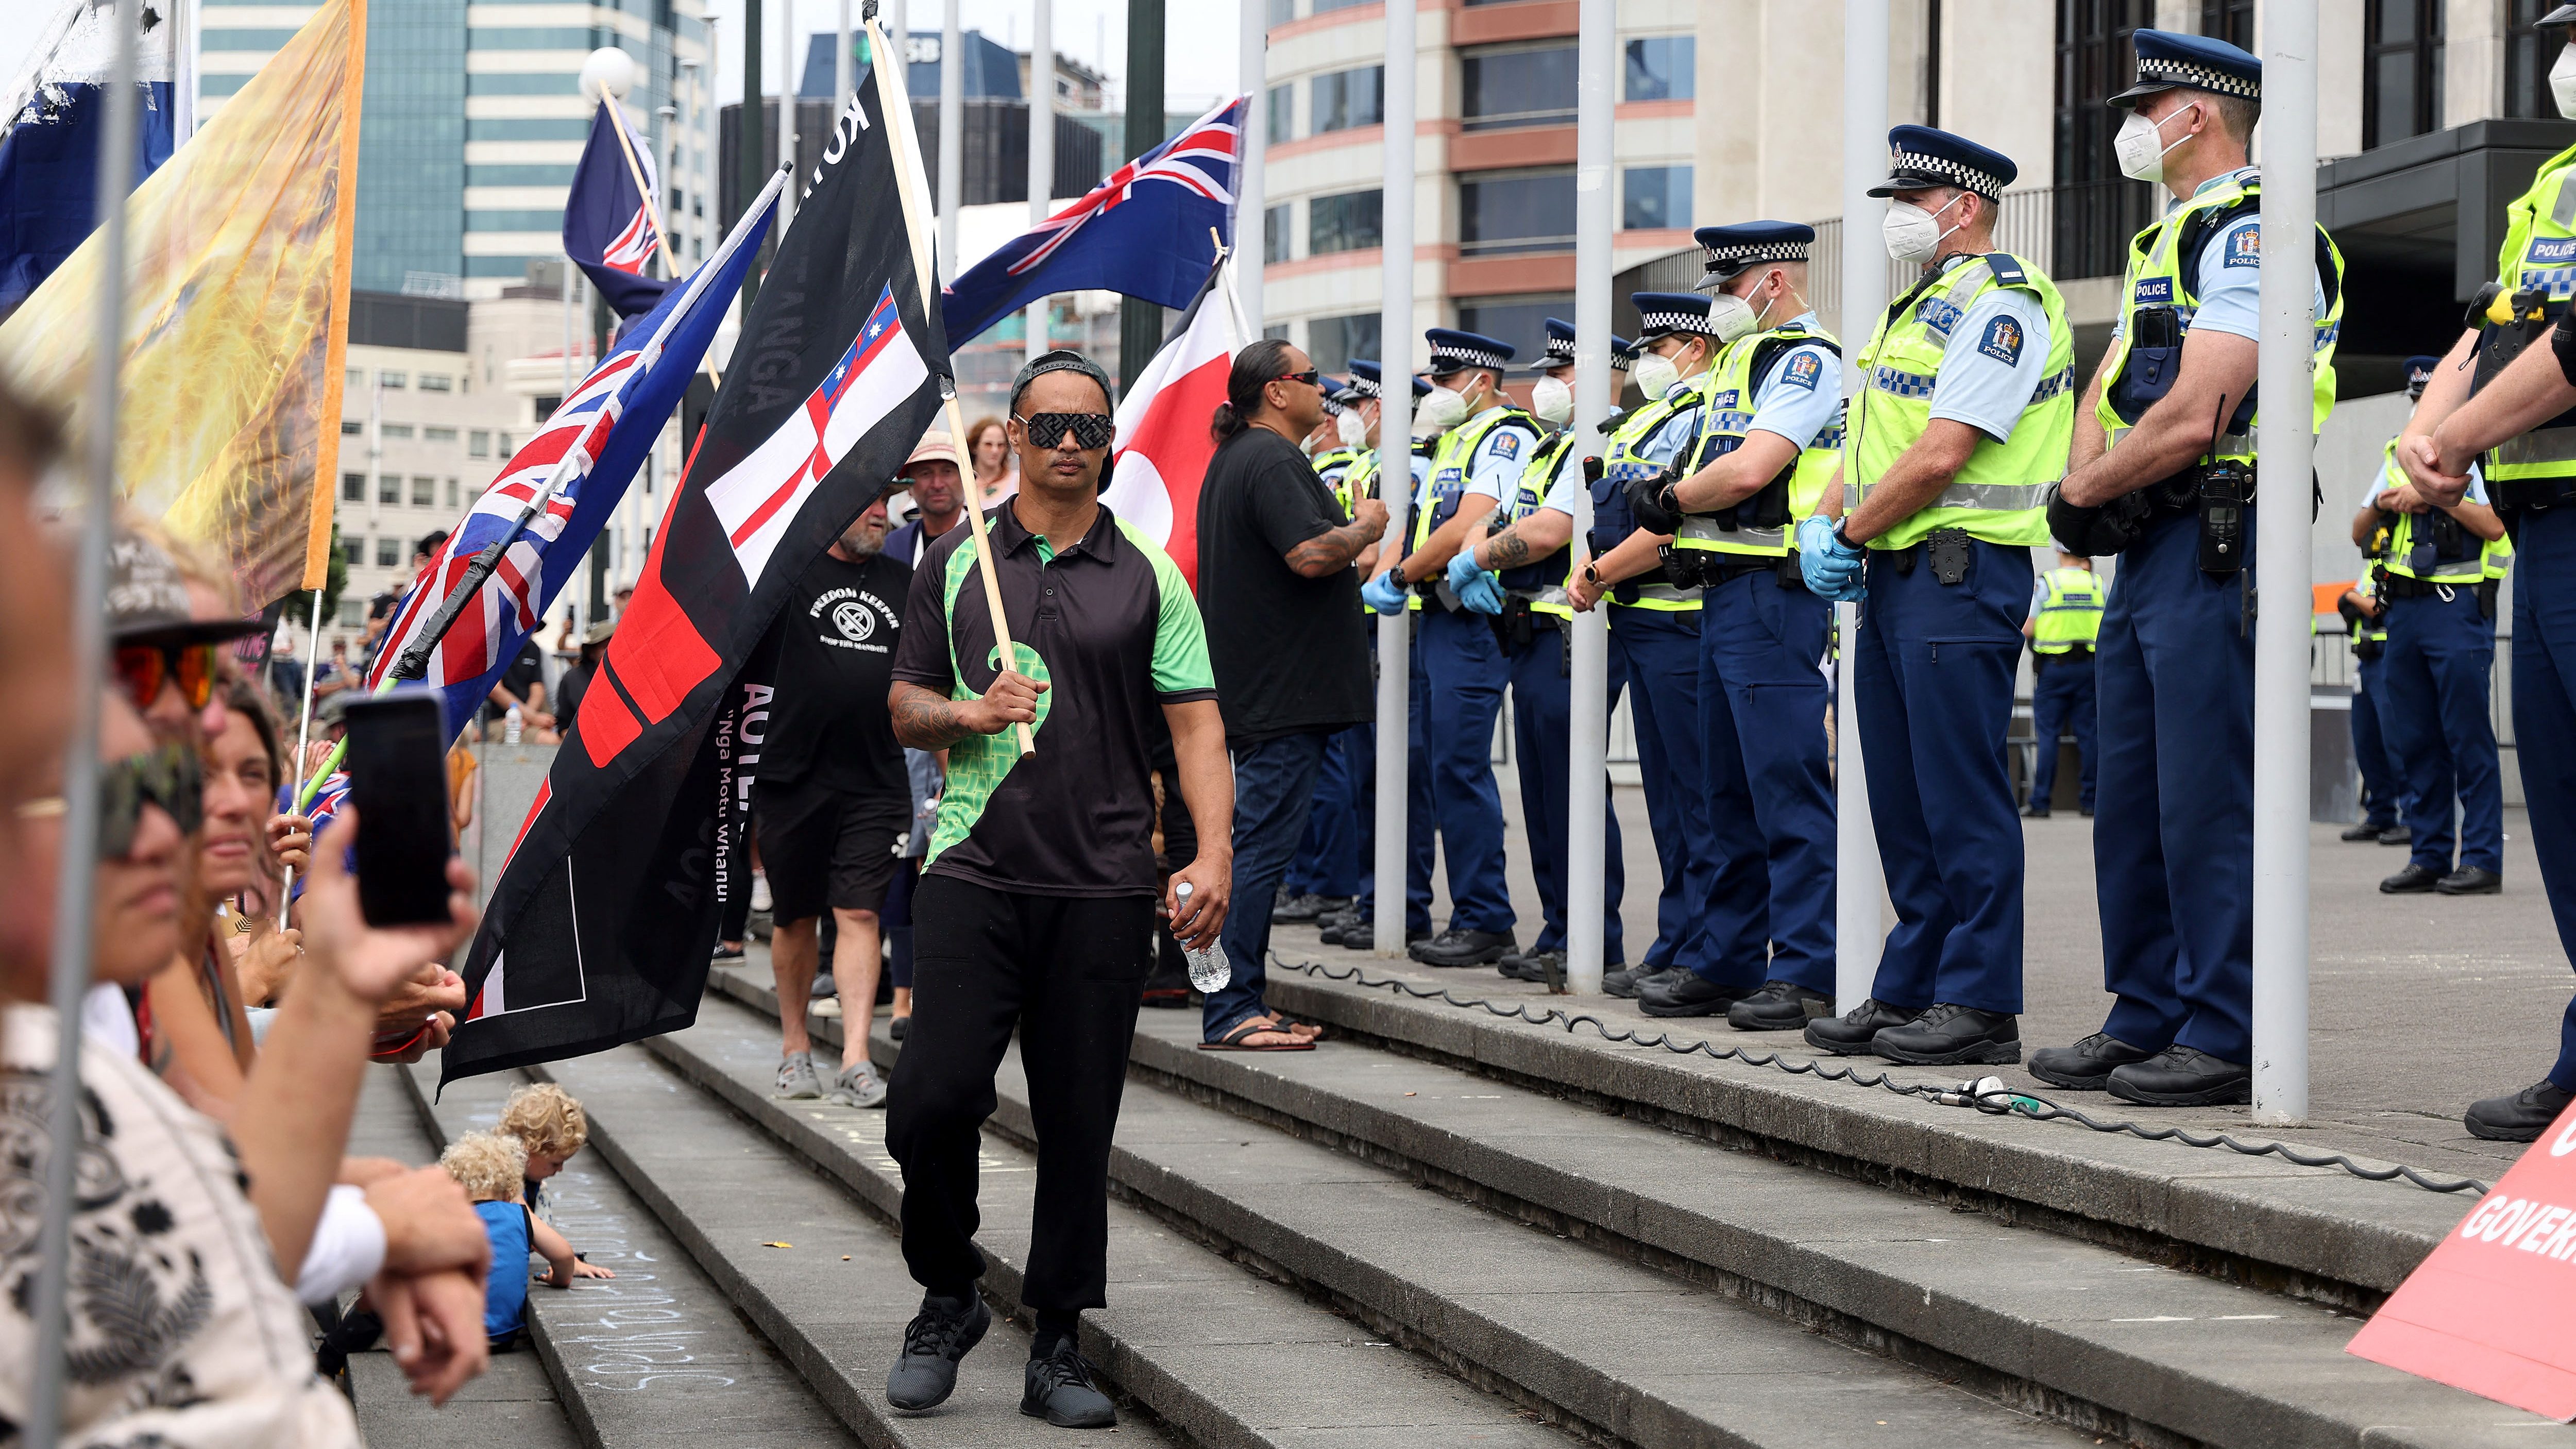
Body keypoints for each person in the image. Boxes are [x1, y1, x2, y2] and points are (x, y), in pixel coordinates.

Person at [883, 349, 1232, 1428]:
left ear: (1110, 442)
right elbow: (902, 703)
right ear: (1016, 436)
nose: (1069, 445)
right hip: (974, 869)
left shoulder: (1151, 575)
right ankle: (949, 1291)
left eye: (1089, 428)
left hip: (1105, 882)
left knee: (1080, 1124)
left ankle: (1062, 1336)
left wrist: (1212, 854)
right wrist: (968, 714)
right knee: (928, 1098)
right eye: (1049, 427)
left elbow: (1198, 725)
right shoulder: (954, 562)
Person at [2033, 31, 2342, 1105]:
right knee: (2131, 790)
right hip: (2151, 543)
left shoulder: (2258, 226)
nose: (2128, 125)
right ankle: (2148, 1009)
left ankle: (2226, 1024)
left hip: (2220, 534)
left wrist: (2084, 494)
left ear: (2198, 112)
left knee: (2205, 792)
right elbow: (2106, 392)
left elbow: (2199, 409)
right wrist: (2082, 495)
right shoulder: (2165, 241)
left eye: (2143, 103)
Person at [1794, 125, 2073, 1068]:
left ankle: (1983, 1001)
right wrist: (1827, 520)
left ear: (1964, 208)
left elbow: (1945, 449)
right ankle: (1913, 985)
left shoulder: (2004, 302)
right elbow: (1867, 444)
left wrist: (1848, 530)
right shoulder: (1909, 310)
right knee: (1905, 801)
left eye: (1912, 203)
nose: (1899, 219)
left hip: (1961, 569)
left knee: (1962, 794)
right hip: (1899, 576)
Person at [2395, 0, 2576, 1140]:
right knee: (2559, 802)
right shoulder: (2551, 185)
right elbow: (2491, 324)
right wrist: (2428, 421)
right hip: (2546, 524)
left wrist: (2454, 441)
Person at [1622, 227, 1844, 1028]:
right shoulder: (1736, 366)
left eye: (1729, 286)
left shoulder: (1805, 358)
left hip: (1769, 593)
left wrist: (1671, 500)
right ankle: (1727, 957)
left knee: (1784, 788)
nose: (1719, 304)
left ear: (1773, 282)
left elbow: (1752, 470)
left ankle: (1809, 966)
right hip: (1720, 595)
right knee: (1723, 795)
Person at [1195, 340, 1380, 1049]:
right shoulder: (1268, 457)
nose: (1324, 391)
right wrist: (1365, 528)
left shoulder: (1249, 456)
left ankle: (1240, 1000)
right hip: (1277, 697)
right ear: (1276, 391)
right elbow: (1308, 555)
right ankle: (1231, 1008)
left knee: (1253, 848)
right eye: (1312, 378)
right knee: (1258, 852)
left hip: (1268, 691)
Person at [1448, 318, 1630, 985]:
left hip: (1570, 634)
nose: (1547, 384)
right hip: (1532, 636)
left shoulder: (1602, 438)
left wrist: (1475, 557)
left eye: (1560, 372)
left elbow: (1551, 530)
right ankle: (1559, 926)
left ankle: (1594, 935)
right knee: (1545, 794)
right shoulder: (1552, 446)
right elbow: (1497, 517)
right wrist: (1483, 547)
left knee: (1573, 791)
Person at [1563, 292, 1726, 1001]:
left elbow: (1668, 523)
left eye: (1659, 349)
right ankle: (1677, 940)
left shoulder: (1699, 412)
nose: (1647, 363)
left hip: (1677, 621)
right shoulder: (1644, 420)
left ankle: (1705, 946)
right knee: (1667, 800)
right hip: (1640, 621)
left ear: (1694, 349)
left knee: (1699, 800)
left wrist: (1598, 574)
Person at [1360, 329, 1539, 967]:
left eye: (1443, 381)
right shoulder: (1453, 440)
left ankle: (1485, 916)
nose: (1433, 392)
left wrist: (1402, 575)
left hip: (1465, 618)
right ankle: (1469, 911)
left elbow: (1468, 523)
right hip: (1438, 615)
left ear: (1480, 381)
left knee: (1459, 768)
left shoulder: (1503, 434)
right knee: (1440, 769)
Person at [752, 479, 913, 1108]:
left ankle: (854, 1055)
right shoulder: (787, 576)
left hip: (876, 779)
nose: (881, 512)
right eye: (866, 500)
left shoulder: (903, 585)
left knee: (860, 913)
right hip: (792, 777)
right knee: (795, 917)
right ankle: (796, 1050)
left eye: (884, 503)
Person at [2371, 366, 2512, 898]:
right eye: (2416, 398)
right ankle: (2428, 853)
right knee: (2417, 741)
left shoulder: (2479, 444)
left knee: (2466, 738)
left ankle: (2480, 858)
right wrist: (2391, 499)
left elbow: (2495, 525)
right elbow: (2362, 523)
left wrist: (2431, 496)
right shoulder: (2398, 452)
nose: (2419, 407)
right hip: (2404, 610)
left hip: (2455, 607)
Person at [1316, 359, 1431, 949]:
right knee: (1365, 773)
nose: (1352, 417)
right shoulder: (1366, 466)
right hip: (1356, 626)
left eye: (1360, 406)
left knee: (1395, 773)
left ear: (1382, 408)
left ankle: (1402, 902)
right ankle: (1370, 895)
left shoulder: (1406, 465)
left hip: (1392, 626)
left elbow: (1377, 551)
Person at [435, 1132, 580, 1344]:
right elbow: (565, 1256)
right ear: (511, 1188)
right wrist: (560, 1280)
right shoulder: (519, 1215)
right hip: (503, 1333)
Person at [2023, 551, 2103, 818]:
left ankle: (2041, 802)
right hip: (2090, 669)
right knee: (2090, 735)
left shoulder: (2048, 583)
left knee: (2047, 736)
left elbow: (2028, 628)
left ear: (2059, 553)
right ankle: (2091, 802)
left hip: (2054, 670)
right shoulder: (2096, 584)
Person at [889, 429, 968, 566]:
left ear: (966, 480)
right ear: (909, 487)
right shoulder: (894, 547)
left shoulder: (992, 539)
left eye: (947, 472)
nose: (937, 485)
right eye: (926, 474)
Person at [482, 635, 554, 743]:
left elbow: (538, 690)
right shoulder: (492, 645)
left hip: (524, 720)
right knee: (550, 740)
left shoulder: (532, 647)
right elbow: (495, 690)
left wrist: (525, 719)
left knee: (554, 739)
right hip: (495, 720)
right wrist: (532, 718)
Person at [554, 619, 613, 722]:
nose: (611, 650)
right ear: (591, 652)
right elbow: (564, 724)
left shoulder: (634, 677)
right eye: (605, 647)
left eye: (616, 644)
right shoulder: (575, 678)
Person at [963, 413, 1017, 505]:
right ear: (974, 447)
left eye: (1000, 445)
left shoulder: (1018, 482)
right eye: (988, 444)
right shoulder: (962, 485)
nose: (995, 451)